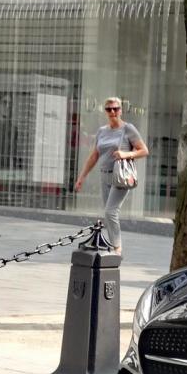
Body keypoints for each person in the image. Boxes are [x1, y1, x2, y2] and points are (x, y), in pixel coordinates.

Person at [73, 97, 148, 255]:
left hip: (120, 176)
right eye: (109, 109)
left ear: (120, 110)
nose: (112, 112)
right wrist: (81, 177)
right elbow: (94, 155)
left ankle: (117, 248)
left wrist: (126, 153)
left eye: (115, 109)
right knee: (108, 213)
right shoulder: (102, 131)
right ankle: (113, 246)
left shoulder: (128, 129)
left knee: (110, 212)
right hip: (104, 176)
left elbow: (144, 150)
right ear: (105, 111)